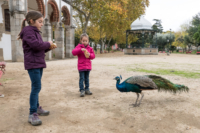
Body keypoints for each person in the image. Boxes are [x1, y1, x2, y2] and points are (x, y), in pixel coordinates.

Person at [18, 11, 57, 126]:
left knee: (36, 87)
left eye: (42, 22)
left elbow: (39, 48)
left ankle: (37, 108)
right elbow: (36, 46)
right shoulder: (28, 31)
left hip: (38, 63)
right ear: (31, 21)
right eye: (40, 21)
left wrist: (49, 47)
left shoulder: (35, 32)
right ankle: (32, 114)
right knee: (36, 87)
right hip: (33, 64)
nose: (42, 24)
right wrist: (48, 43)